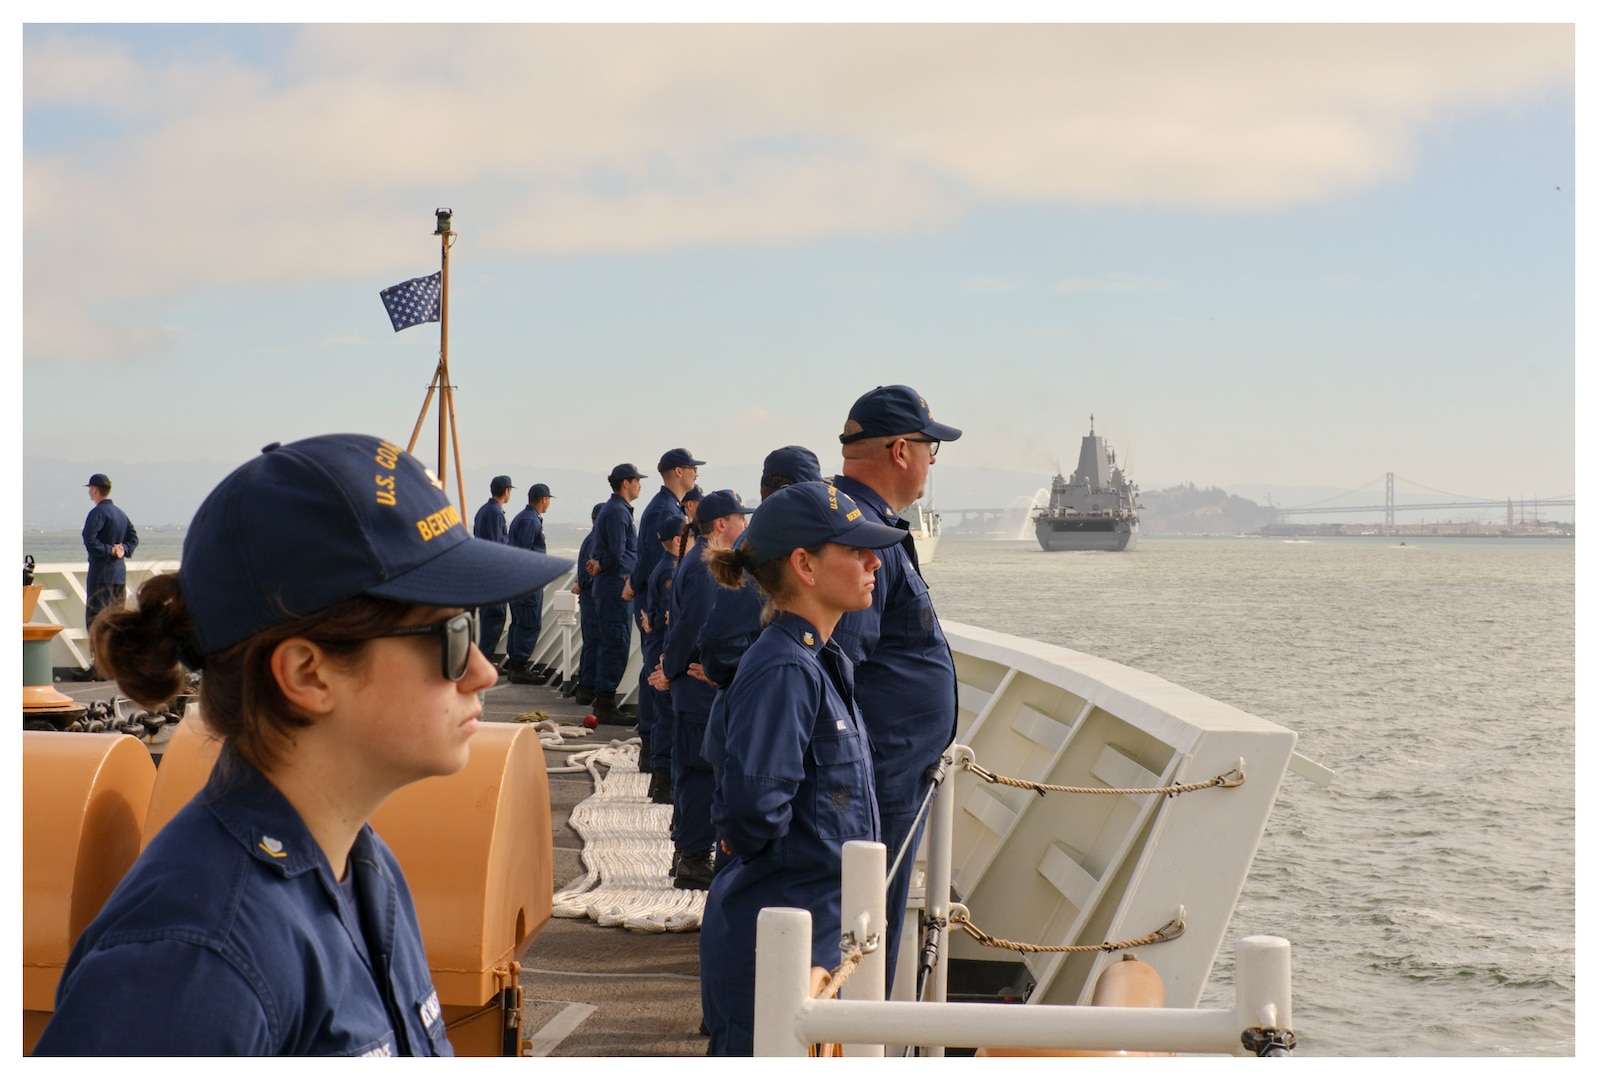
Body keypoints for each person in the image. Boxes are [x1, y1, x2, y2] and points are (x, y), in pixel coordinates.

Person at [34, 434, 572, 1055]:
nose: (483, 672)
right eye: (454, 634)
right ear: (308, 674)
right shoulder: (193, 960)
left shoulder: (362, 868)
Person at [697, 480, 908, 1056]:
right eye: (855, 549)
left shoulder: (819, 660)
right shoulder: (786, 670)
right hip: (776, 950)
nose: (873, 561)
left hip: (815, 946)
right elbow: (751, 813)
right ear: (805, 566)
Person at [830, 384, 963, 993]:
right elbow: (838, 667)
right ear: (903, 450)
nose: (934, 463)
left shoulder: (859, 522)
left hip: (884, 770)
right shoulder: (863, 536)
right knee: (864, 928)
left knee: (865, 923)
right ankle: (858, 1043)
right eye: (933, 449)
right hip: (876, 779)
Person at [661, 489, 748, 890]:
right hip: (697, 685)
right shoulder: (707, 567)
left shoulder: (694, 561)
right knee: (699, 775)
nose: (744, 526)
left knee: (690, 772)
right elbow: (696, 626)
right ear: (720, 526)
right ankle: (694, 859)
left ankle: (687, 853)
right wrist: (671, 669)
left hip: (688, 684)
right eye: (739, 519)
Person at [632, 449, 701, 770]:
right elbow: (648, 556)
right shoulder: (664, 511)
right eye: (691, 469)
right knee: (658, 679)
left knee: (654, 675)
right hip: (657, 608)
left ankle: (653, 754)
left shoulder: (667, 507)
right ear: (677, 472)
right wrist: (633, 586)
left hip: (656, 604)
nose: (695, 474)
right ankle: (654, 757)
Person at [586, 463, 644, 724]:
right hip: (615, 588)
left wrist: (598, 562)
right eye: (636, 480)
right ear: (626, 483)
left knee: (610, 643)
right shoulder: (619, 512)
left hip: (609, 588)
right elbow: (618, 553)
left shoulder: (612, 510)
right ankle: (606, 703)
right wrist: (602, 564)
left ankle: (604, 699)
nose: (639, 485)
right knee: (616, 644)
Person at [640, 517, 686, 799]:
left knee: (662, 715)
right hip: (660, 647)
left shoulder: (664, 567)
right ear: (679, 541)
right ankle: (662, 781)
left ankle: (660, 778)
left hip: (655, 644)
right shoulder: (669, 571)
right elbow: (663, 615)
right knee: (666, 715)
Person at [82, 472, 139, 655]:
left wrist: (109, 550)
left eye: (90, 489)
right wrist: (123, 548)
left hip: (100, 576)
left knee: (97, 621)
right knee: (116, 622)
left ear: (95, 490)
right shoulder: (120, 514)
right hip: (119, 576)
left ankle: (99, 665)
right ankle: (114, 664)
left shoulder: (98, 513)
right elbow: (133, 538)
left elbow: (90, 541)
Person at [505, 483, 554, 682]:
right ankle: (519, 666)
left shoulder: (522, 517)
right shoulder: (530, 521)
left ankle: (516, 664)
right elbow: (524, 553)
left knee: (519, 622)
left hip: (519, 579)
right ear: (543, 499)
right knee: (529, 622)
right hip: (527, 580)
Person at [472, 475, 515, 663]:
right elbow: (498, 544)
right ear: (506, 491)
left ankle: (483, 657)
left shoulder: (483, 511)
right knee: (496, 616)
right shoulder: (496, 513)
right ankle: (486, 659)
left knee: (487, 616)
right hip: (494, 571)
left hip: (482, 568)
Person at [570, 503, 605, 704]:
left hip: (588, 597)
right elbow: (589, 572)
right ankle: (587, 688)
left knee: (591, 643)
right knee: (595, 643)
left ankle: (586, 687)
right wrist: (583, 585)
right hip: (593, 599)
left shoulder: (589, 539)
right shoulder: (595, 542)